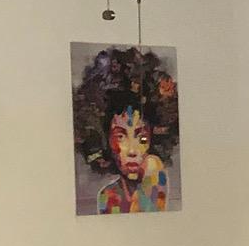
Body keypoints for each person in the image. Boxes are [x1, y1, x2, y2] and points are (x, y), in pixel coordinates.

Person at [73, 46, 180, 215]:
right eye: (121, 137)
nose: (132, 150)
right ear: (105, 138)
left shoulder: (153, 169)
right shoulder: (108, 196)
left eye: (142, 138)